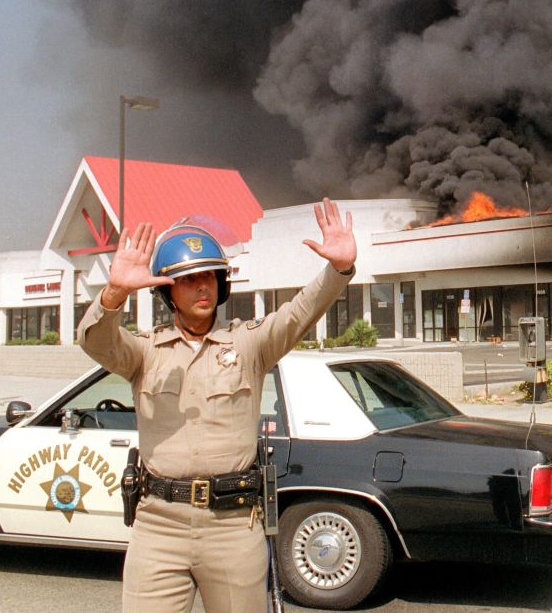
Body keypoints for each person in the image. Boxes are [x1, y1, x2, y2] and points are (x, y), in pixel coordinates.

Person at [77, 198, 356, 612]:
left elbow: (299, 314)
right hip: (158, 526)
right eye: (190, 279)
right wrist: (115, 292)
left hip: (232, 525)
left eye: (211, 276)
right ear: (168, 289)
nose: (204, 286)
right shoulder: (144, 351)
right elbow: (95, 341)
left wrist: (338, 271)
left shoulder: (249, 343)